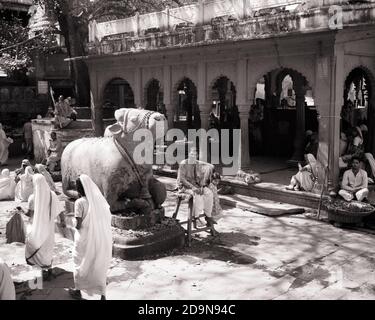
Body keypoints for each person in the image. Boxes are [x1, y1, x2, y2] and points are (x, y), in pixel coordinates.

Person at [69, 175, 112, 300]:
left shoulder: (79, 202)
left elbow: (78, 225)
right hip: (98, 238)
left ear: (78, 188)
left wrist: (70, 221)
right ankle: (102, 294)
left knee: (79, 262)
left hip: (84, 238)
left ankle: (78, 290)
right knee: (97, 263)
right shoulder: (99, 201)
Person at [25, 174, 60, 281]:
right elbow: (59, 210)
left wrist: (21, 211)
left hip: (36, 228)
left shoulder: (32, 198)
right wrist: (62, 221)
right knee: (48, 249)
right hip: (49, 228)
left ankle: (41, 272)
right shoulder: (52, 195)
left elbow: (30, 214)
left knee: (37, 248)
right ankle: (48, 270)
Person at [177, 147, 218, 235]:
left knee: (209, 193)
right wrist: (193, 187)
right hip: (184, 186)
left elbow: (206, 168)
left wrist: (202, 186)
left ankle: (208, 216)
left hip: (195, 184)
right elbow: (182, 179)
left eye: (195, 155)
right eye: (192, 154)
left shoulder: (196, 164)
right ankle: (197, 217)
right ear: (188, 154)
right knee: (197, 194)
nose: (193, 156)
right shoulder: (183, 163)